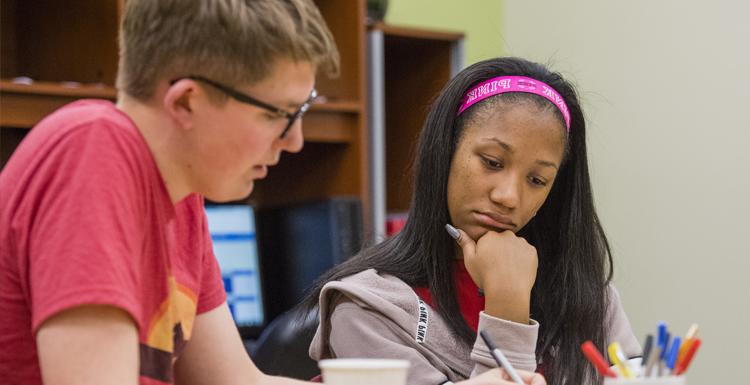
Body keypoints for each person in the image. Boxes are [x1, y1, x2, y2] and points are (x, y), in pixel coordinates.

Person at [0, 1, 538, 384]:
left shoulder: (179, 201)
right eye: (279, 114)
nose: (295, 140)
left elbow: (237, 381)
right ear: (186, 102)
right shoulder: (95, 148)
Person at [305, 57, 641, 385]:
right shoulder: (367, 307)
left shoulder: (588, 296)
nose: (508, 196)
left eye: (537, 180)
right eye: (492, 162)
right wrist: (507, 308)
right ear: (446, 149)